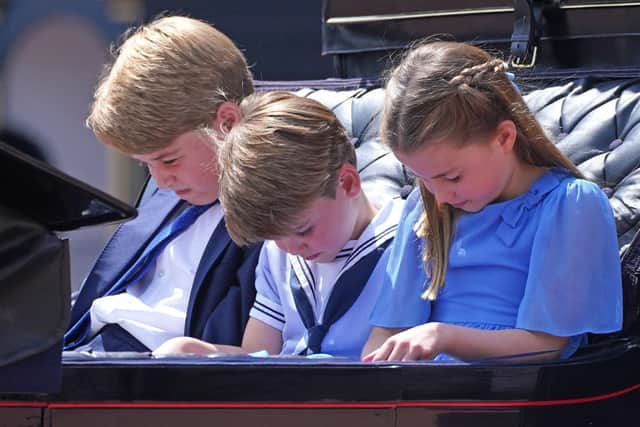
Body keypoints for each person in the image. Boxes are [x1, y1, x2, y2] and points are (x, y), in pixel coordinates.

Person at [362, 41, 623, 362]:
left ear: (504, 138)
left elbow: (546, 346)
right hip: (423, 394)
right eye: (423, 178)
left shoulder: (569, 205)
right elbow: (387, 330)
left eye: (452, 177)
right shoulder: (425, 207)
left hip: (513, 398)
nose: (440, 194)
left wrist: (444, 336)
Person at [154, 92, 404, 359]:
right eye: (274, 238)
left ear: (347, 183)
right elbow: (259, 353)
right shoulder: (278, 252)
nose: (290, 248)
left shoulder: (407, 243)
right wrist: (199, 351)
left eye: (303, 229)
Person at [64, 16, 261, 352]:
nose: (159, 180)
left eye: (168, 160)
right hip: (84, 349)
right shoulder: (179, 188)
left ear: (226, 123)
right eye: (145, 165)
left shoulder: (271, 214)